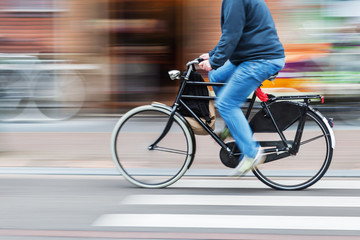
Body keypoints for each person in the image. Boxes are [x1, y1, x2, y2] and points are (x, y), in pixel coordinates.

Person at [198, 0, 285, 176]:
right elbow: (232, 33)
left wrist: (214, 61)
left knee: (226, 104)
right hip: (251, 56)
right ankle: (234, 123)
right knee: (216, 76)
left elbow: (232, 34)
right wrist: (213, 55)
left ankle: (252, 153)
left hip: (261, 60)